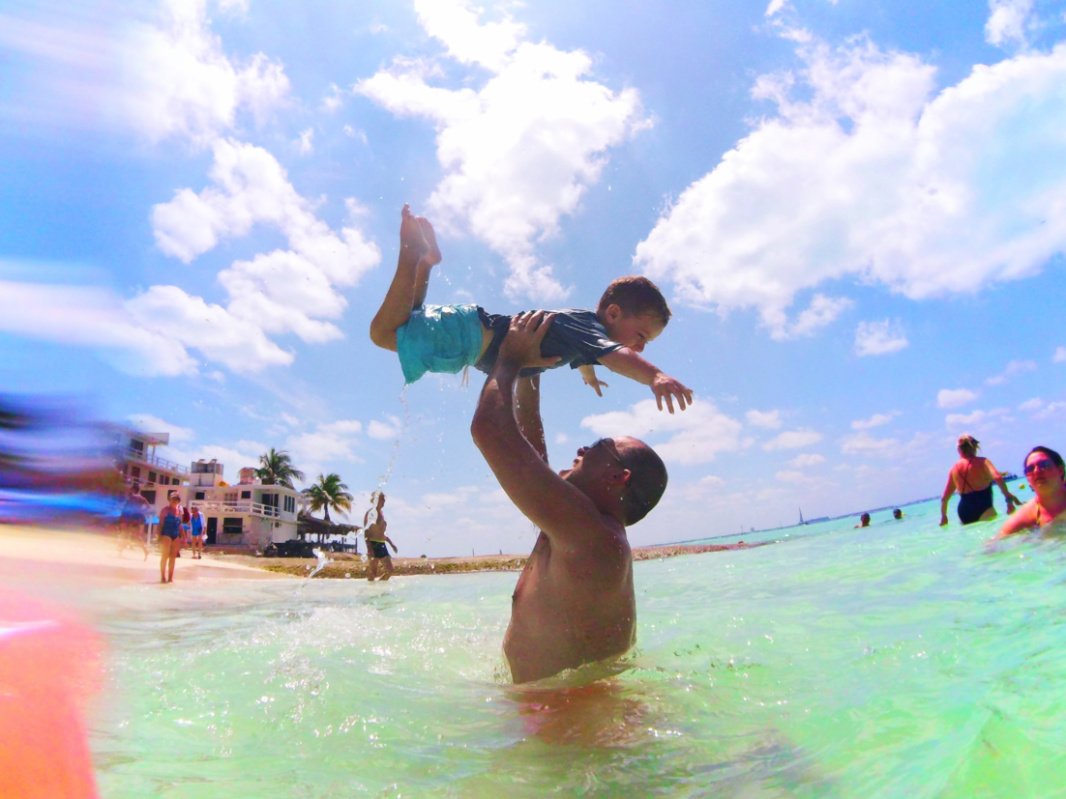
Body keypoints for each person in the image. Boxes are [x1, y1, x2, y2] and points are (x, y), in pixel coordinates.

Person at [470, 311, 668, 684]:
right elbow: (531, 459)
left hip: (568, 727)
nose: (581, 447)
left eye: (596, 445)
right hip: (563, 716)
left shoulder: (593, 539)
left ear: (616, 477)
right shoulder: (583, 530)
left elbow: (491, 430)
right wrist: (532, 372)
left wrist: (509, 357)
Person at [369, 205, 693, 414]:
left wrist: (589, 378)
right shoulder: (589, 329)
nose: (639, 346)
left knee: (406, 321)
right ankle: (412, 257)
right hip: (469, 337)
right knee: (383, 333)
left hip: (467, 327)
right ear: (613, 313)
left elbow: (592, 357)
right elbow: (613, 355)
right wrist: (655, 376)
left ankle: (425, 264)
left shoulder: (583, 331)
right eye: (640, 335)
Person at [939, 434, 1020, 526]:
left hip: (964, 511)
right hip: (984, 507)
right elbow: (997, 477)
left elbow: (944, 498)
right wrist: (1008, 500)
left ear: (959, 450)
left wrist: (944, 516)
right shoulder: (983, 462)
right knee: (994, 538)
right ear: (975, 447)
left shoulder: (954, 469)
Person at [994, 446, 1066, 538]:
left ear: (1060, 470)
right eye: (1030, 469)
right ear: (1028, 479)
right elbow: (994, 544)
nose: (1037, 471)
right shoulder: (1026, 517)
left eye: (1044, 465)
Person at [363, 492, 397, 581]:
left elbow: (382, 532)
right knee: (373, 573)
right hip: (373, 544)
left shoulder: (381, 513)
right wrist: (369, 548)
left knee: (390, 570)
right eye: (382, 499)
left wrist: (391, 544)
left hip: (382, 544)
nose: (384, 501)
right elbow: (366, 531)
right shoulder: (371, 513)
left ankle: (378, 588)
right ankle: (370, 591)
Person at [117, 482, 150, 560]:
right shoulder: (142, 498)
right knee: (136, 536)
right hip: (136, 519)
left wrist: (121, 518)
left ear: (133, 489)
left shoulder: (131, 497)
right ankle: (145, 550)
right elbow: (148, 507)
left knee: (126, 534)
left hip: (129, 519)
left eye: (131, 489)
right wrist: (141, 511)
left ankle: (120, 552)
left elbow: (125, 509)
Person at [158, 493, 183, 583]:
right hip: (166, 534)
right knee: (165, 556)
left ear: (179, 501)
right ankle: (162, 577)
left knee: (173, 557)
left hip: (175, 535)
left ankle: (170, 578)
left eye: (176, 499)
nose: (174, 501)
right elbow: (160, 524)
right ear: (169, 500)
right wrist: (159, 536)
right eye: (173, 499)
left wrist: (183, 537)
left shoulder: (179, 511)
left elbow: (180, 525)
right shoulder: (165, 510)